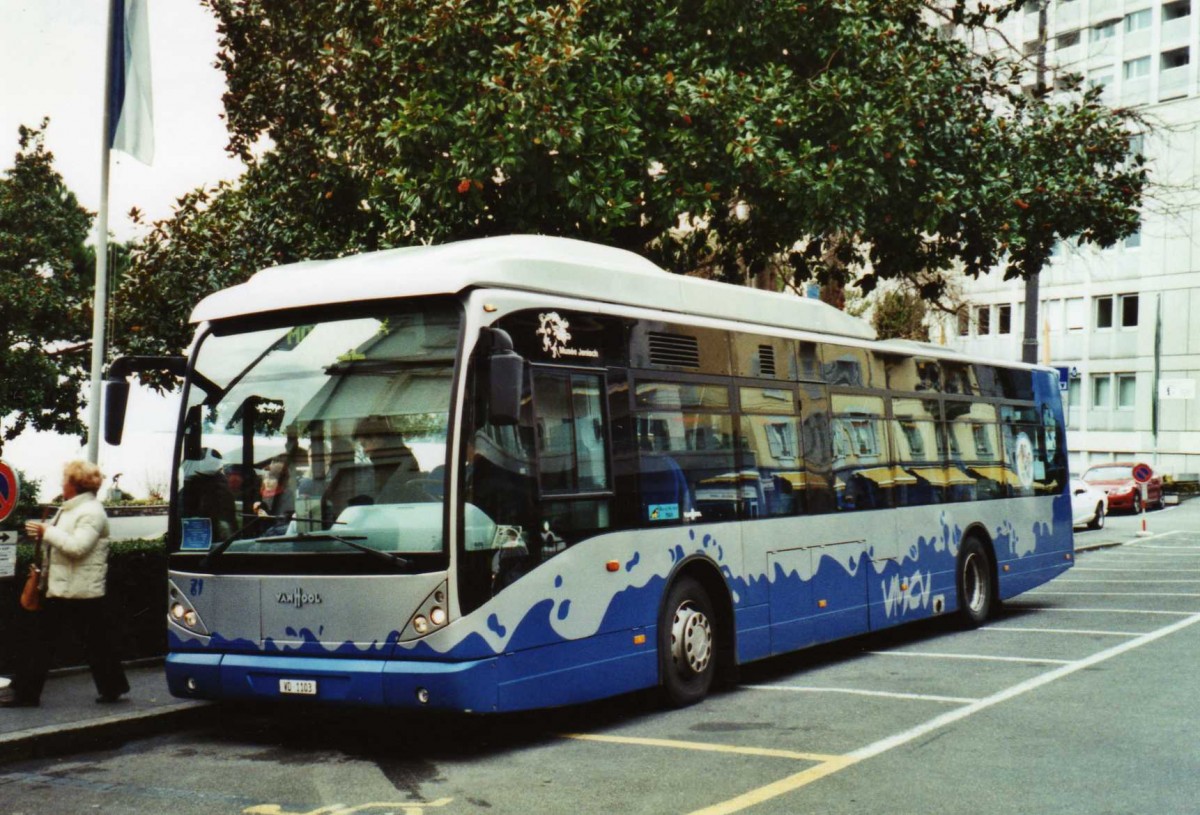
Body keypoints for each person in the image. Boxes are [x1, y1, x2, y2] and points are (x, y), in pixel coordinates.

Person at [2, 461, 130, 707]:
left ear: (76, 484)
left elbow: (77, 547)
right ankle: (112, 687)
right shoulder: (73, 509)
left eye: (65, 480)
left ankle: (26, 693)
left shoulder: (90, 512)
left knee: (46, 641)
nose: (62, 484)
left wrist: (46, 532)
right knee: (94, 642)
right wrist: (44, 531)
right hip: (67, 587)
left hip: (77, 588)